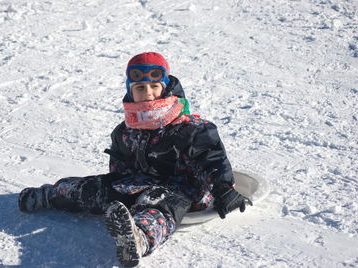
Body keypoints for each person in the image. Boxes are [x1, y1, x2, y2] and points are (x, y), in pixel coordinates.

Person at [18, 52, 252, 267]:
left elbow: (212, 159)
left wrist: (224, 189)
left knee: (159, 203)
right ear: (131, 90)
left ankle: (138, 238)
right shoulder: (126, 129)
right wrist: (111, 189)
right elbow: (119, 167)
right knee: (95, 188)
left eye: (154, 86)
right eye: (140, 87)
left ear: (166, 87)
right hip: (138, 182)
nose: (148, 93)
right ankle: (48, 195)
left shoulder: (192, 128)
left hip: (184, 190)